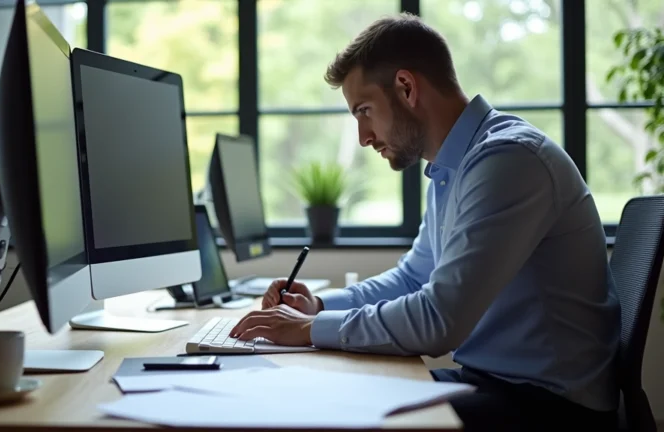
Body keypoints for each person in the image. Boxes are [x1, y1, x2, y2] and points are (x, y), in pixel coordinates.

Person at [229, 12, 621, 432]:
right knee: (327, 390)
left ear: (406, 87)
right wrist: (321, 307)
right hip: (495, 385)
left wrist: (309, 330)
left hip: (548, 407)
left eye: (364, 110)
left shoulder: (508, 160)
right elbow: (413, 279)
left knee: (330, 414)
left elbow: (439, 322)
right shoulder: (456, 167)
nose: (363, 136)